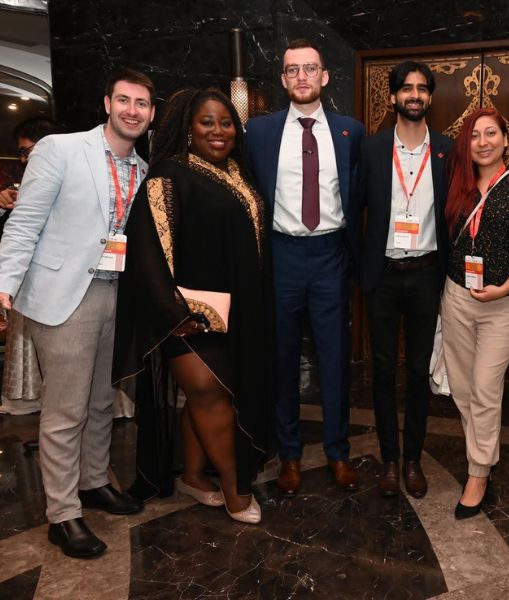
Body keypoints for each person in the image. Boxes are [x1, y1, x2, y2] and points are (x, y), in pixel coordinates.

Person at [0, 67, 155, 559]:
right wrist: (2, 284)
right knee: (65, 411)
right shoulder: (61, 149)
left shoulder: (144, 171)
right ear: (106, 103)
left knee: (101, 402)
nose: (133, 110)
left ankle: (93, 483)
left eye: (143, 104)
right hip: (65, 293)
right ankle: (62, 514)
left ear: (151, 114)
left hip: (118, 294)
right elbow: (25, 222)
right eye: (125, 100)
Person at [113, 88, 274, 525]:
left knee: (210, 396)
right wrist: (176, 314)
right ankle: (236, 490)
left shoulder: (238, 173)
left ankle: (193, 476)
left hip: (234, 314)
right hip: (186, 318)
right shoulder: (168, 176)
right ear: (188, 127)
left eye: (226, 123)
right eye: (207, 122)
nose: (218, 132)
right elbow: (150, 251)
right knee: (209, 392)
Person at [247, 39, 364, 496]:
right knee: (282, 359)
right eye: (292, 69)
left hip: (331, 256)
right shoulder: (259, 132)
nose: (301, 77)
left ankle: (337, 452)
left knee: (335, 359)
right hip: (281, 257)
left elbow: (358, 200)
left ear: (324, 77)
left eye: (309, 69)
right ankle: (289, 454)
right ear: (282, 79)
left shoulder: (349, 132)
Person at [440, 107, 509, 519]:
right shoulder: (457, 185)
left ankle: (479, 471)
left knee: (485, 387)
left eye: (491, 134)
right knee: (463, 389)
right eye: (475, 136)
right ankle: (482, 455)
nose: (483, 142)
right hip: (458, 297)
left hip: (504, 303)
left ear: (504, 138)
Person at [359, 61, 452, 499]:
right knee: (381, 371)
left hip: (426, 276)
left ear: (430, 97)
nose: (414, 95)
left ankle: (413, 458)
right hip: (382, 275)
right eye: (406, 88)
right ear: (393, 97)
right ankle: (389, 459)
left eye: (421, 88)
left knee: (417, 373)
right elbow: (353, 209)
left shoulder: (448, 152)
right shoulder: (373, 149)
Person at [0, 117, 61, 415]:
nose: (24, 159)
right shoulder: (27, 181)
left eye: (27, 151)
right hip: (28, 280)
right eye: (22, 153)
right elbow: (19, 229)